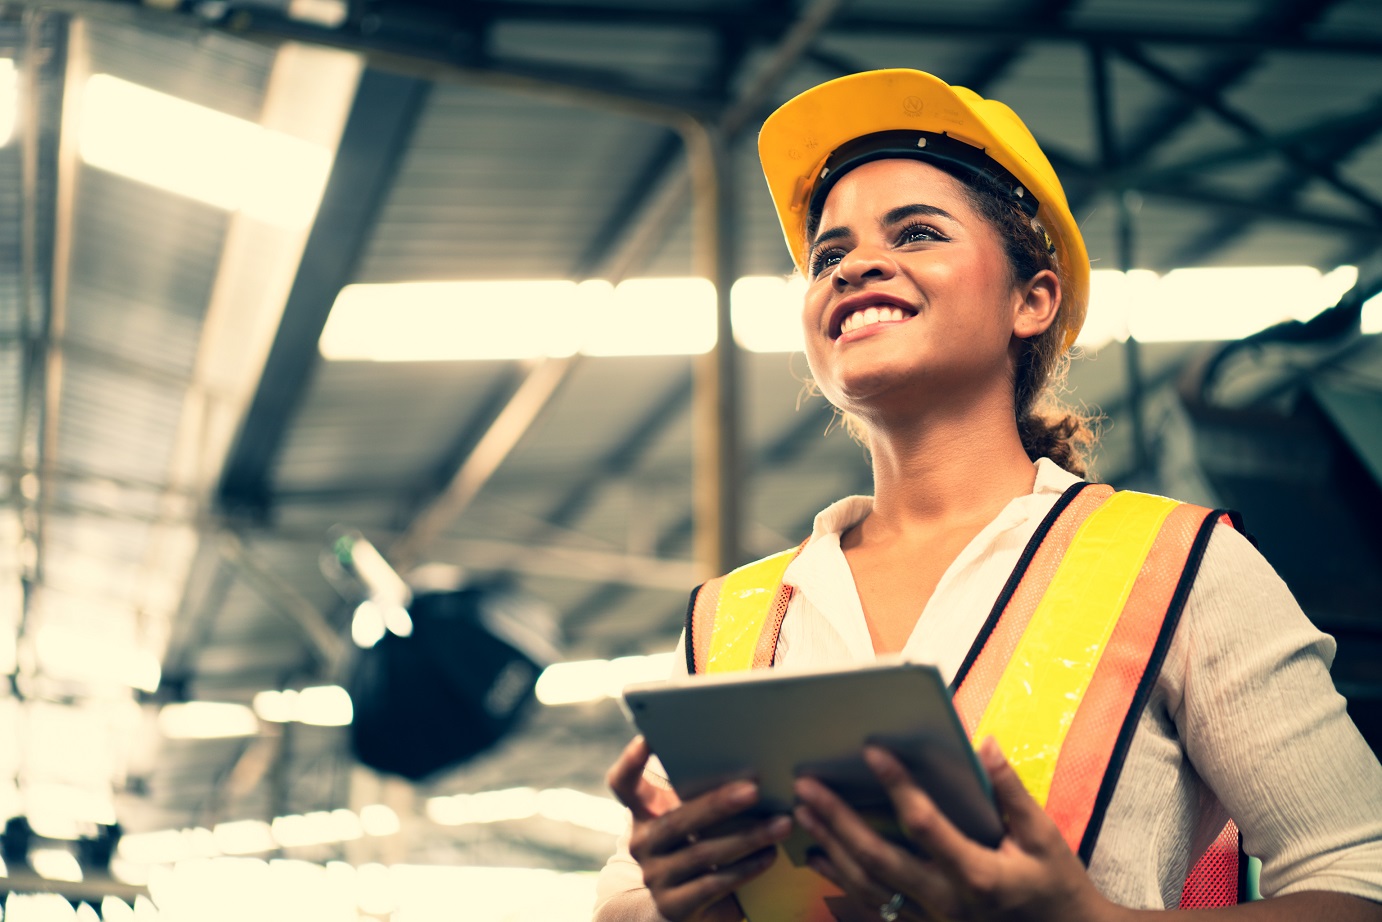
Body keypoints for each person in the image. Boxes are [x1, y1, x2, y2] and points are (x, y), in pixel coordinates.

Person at [593, 69, 1382, 922]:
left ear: (1031, 299)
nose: (855, 265)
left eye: (918, 232)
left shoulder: (1179, 568)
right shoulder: (729, 619)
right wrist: (682, 906)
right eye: (830, 254)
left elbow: (1362, 877)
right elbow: (621, 903)